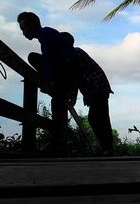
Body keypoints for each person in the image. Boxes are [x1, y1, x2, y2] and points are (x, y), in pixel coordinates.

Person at [17, 11, 114, 155]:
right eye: (22, 29)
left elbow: (56, 62)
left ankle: (106, 150)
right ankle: (106, 149)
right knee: (96, 117)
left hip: (95, 84)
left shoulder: (46, 35)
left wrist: (51, 82)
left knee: (97, 117)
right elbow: (59, 63)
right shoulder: (56, 42)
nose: (23, 32)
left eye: (24, 28)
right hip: (94, 83)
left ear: (34, 24)